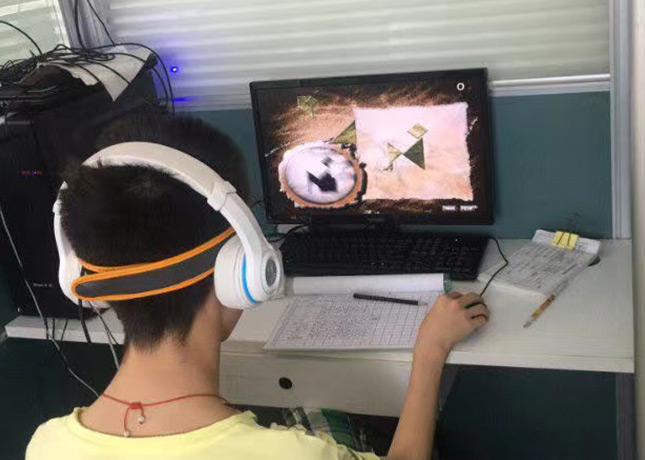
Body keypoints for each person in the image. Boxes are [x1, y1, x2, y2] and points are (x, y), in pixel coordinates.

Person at [26, 111, 489, 460]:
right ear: (243, 265)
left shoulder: (45, 446)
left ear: (84, 274)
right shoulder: (294, 454)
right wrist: (430, 349)